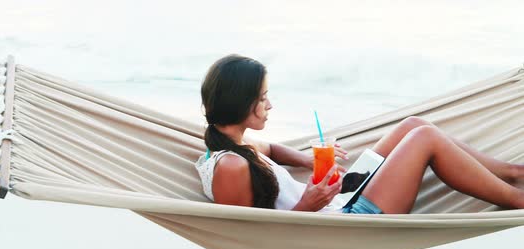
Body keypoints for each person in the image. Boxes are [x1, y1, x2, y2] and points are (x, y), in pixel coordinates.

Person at [195, 54, 524, 214]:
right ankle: (517, 200)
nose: (270, 105)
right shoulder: (231, 167)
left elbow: (273, 150)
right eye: (263, 97)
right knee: (424, 140)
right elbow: (254, 238)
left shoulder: (235, 145)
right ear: (242, 102)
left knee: (412, 125)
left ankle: (513, 173)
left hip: (335, 203)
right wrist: (308, 204)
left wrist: (309, 160)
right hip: (345, 222)